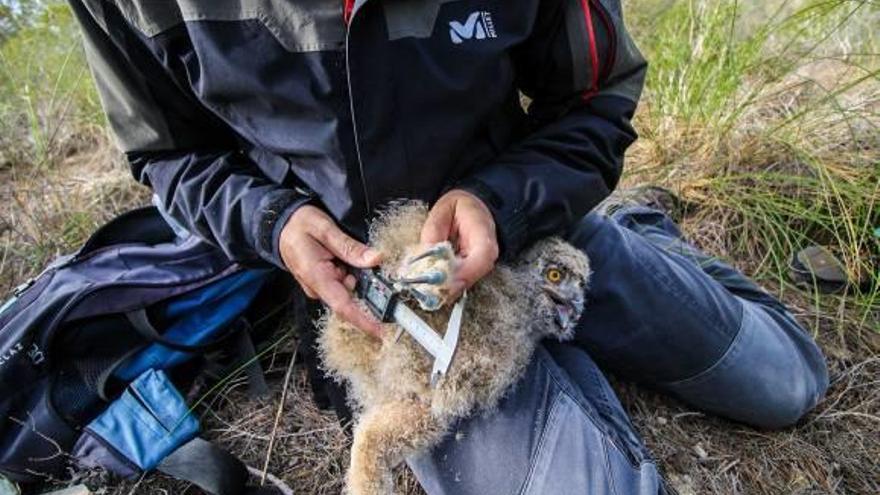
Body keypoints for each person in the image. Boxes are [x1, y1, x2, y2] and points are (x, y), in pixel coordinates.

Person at [68, 0, 828, 493]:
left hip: (529, 224)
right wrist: (275, 223)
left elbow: (598, 96)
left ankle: (629, 238)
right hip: (383, 326)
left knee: (789, 384)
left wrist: (500, 200)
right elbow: (168, 154)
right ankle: (562, 355)